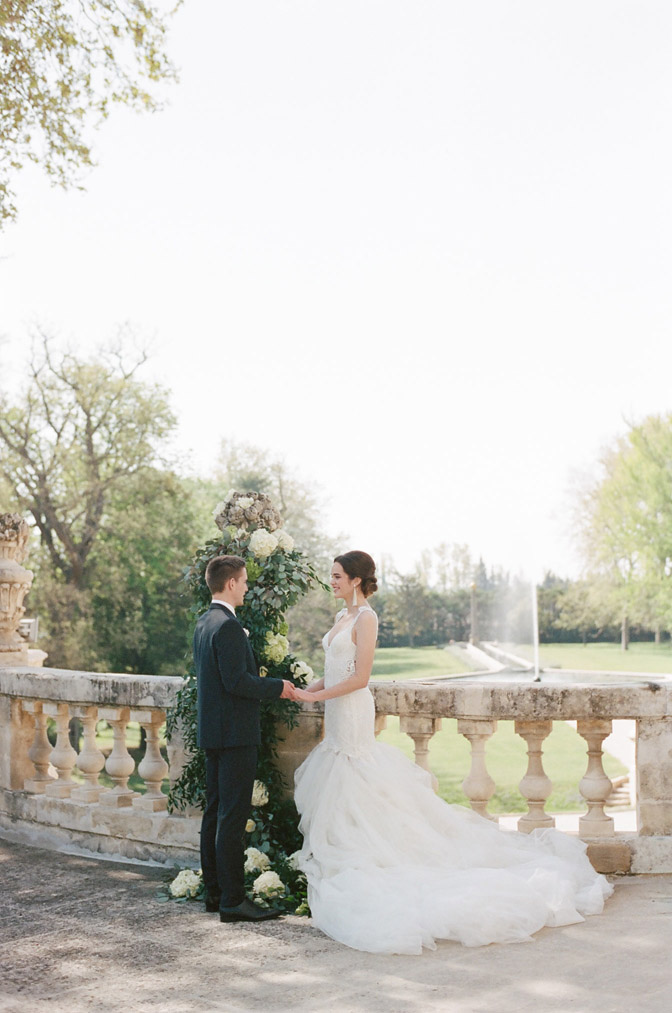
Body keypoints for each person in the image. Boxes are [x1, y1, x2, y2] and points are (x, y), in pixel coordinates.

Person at [292, 550, 613, 954]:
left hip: (353, 713)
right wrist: (306, 690)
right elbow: (334, 669)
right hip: (337, 715)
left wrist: (313, 695)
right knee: (340, 786)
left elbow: (360, 677)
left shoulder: (366, 619)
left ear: (356, 580)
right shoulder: (341, 618)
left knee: (359, 779)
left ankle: (376, 857)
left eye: (337, 575)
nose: (332, 581)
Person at [194, 554, 296, 922]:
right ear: (231, 583)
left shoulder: (205, 622)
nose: (248, 587)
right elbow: (237, 682)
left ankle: (216, 894)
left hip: (213, 733)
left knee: (214, 814)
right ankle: (234, 901)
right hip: (235, 735)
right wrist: (279, 687)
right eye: (245, 580)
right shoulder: (229, 627)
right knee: (233, 817)